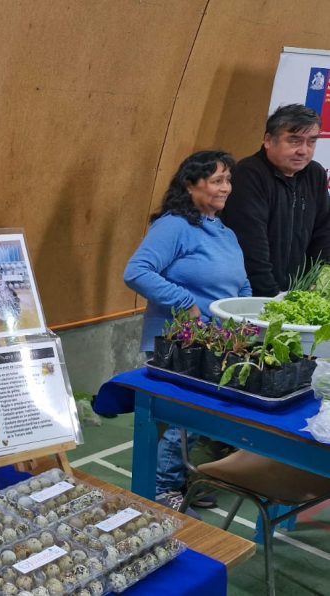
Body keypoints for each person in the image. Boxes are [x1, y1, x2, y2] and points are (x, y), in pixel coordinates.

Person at [124, 150, 252, 515]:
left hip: (217, 341)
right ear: (190, 185)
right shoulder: (175, 226)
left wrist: (246, 316)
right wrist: (186, 303)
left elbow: (240, 284)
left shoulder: (224, 232)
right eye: (216, 180)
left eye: (228, 180)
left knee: (201, 416)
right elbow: (137, 272)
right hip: (178, 341)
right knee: (189, 416)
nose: (225, 188)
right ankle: (162, 488)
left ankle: (178, 480)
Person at [221, 104, 330, 296]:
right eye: (295, 141)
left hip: (298, 293)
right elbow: (250, 244)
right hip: (253, 294)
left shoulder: (315, 173)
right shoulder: (249, 174)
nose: (304, 151)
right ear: (268, 140)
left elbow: (324, 233)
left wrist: (318, 285)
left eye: (311, 142)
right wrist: (272, 296)